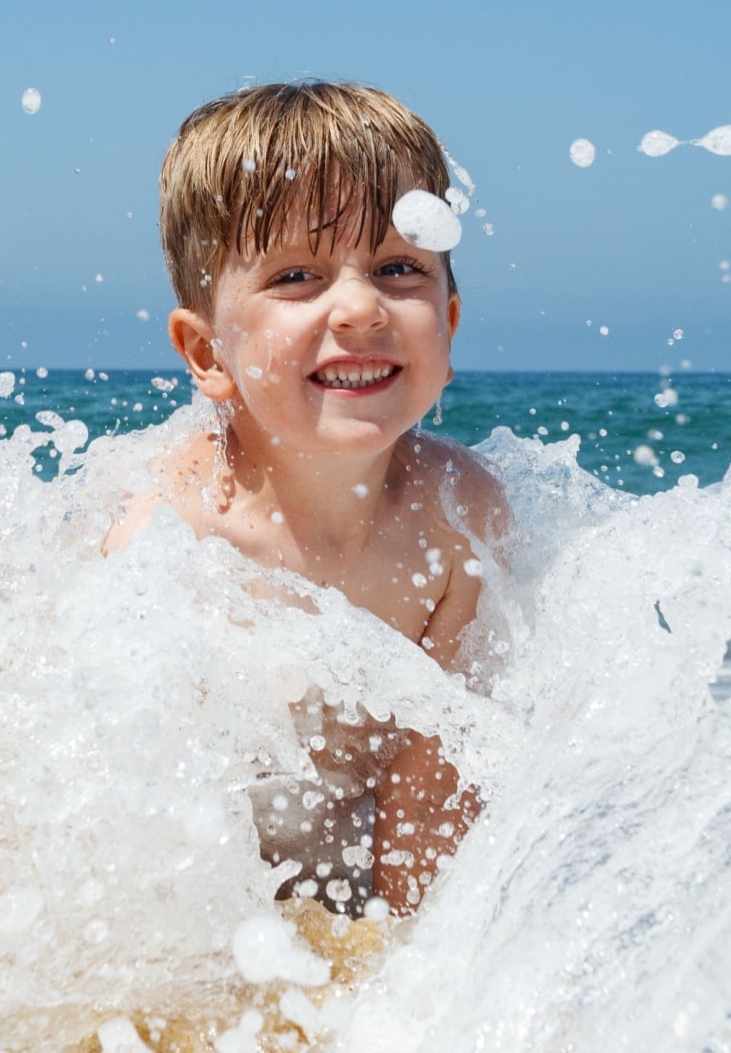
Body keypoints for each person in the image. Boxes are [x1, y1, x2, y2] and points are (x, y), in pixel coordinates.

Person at [105, 81, 502, 916]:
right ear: (207, 350)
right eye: (297, 275)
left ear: (451, 322)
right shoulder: (171, 537)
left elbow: (430, 804)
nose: (360, 307)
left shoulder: (460, 514)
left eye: (400, 268)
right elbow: (126, 831)